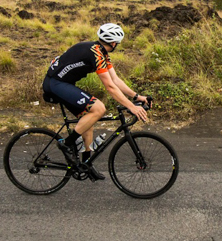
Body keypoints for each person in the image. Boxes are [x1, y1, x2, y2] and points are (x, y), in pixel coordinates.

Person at [42, 23, 148, 181]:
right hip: (55, 84)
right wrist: (131, 107)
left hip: (62, 83)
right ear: (113, 43)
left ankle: (86, 164)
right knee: (98, 109)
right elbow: (110, 87)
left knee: (88, 120)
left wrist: (137, 97)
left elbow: (115, 79)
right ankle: (67, 144)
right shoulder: (96, 53)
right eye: (117, 43)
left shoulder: (100, 52)